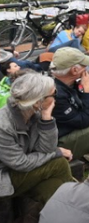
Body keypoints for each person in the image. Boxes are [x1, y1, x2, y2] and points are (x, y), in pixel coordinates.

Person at [0, 72, 73, 206]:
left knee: (53, 185)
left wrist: (46, 117)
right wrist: (55, 153)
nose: (57, 97)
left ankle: (71, 207)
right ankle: (81, 199)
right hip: (4, 178)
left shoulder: (34, 113)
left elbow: (46, 148)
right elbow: (20, 163)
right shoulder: (3, 125)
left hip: (18, 171)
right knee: (59, 163)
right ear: (38, 101)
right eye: (54, 94)